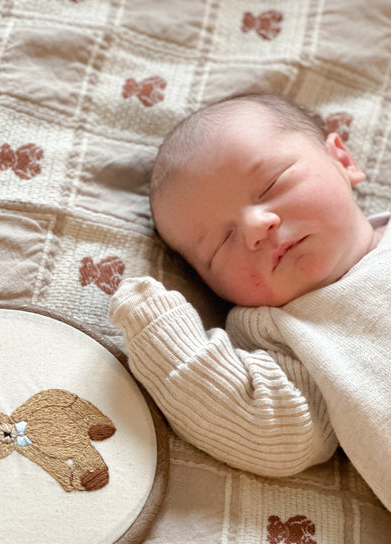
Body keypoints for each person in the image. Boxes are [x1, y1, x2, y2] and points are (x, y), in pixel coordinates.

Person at [108, 92, 391, 512]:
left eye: (272, 185)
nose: (257, 227)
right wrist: (160, 332)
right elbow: (273, 432)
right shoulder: (281, 335)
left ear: (342, 161)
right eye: (222, 243)